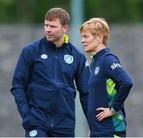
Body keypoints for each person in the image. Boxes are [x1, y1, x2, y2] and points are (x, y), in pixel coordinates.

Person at [10, 7, 90, 137]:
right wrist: (27, 115)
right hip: (37, 122)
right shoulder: (31, 51)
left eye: (53, 26)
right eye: (46, 25)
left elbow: (86, 93)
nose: (48, 29)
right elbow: (17, 86)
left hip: (65, 125)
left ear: (65, 28)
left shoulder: (77, 56)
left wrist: (93, 124)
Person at [80, 17, 133, 137]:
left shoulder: (108, 59)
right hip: (98, 131)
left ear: (99, 38)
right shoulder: (95, 62)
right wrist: (93, 130)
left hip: (111, 131)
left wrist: (112, 109)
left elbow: (127, 82)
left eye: (86, 36)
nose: (82, 40)